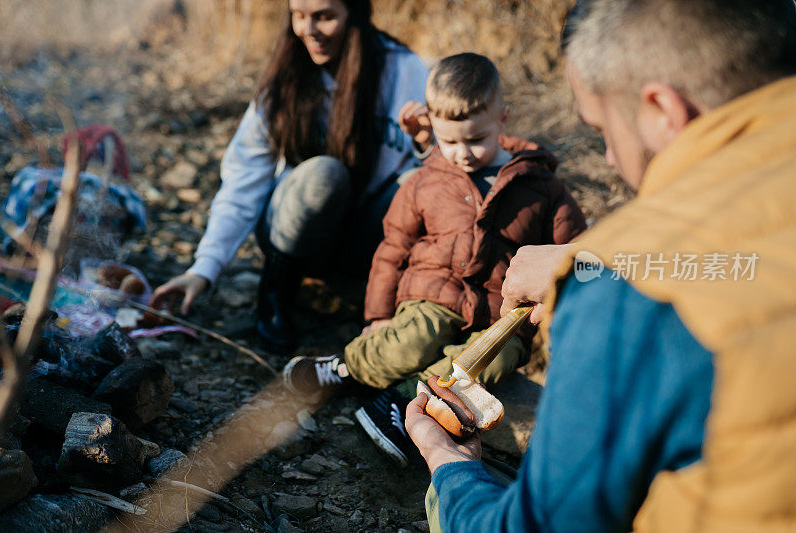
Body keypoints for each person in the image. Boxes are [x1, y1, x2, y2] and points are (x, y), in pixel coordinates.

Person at [405, 0, 796, 531]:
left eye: (603, 128)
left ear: (662, 110)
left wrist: (450, 466)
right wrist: (580, 262)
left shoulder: (628, 299)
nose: (610, 157)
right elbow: (741, 267)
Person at [282, 53, 586, 467]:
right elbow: (393, 249)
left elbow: (573, 247)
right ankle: (345, 368)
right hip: (433, 294)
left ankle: (404, 403)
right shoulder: (427, 179)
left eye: (475, 139)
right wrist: (377, 314)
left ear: (504, 118)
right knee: (413, 335)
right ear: (433, 131)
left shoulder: (541, 186)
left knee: (489, 360)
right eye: (449, 141)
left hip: (502, 315)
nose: (462, 153)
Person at [150, 0, 430, 353]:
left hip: (367, 238)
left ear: (354, 15)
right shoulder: (288, 74)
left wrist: (425, 144)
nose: (308, 30)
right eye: (299, 16)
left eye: (324, 17)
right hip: (293, 229)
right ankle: (276, 293)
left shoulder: (403, 69)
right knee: (325, 174)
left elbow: (441, 169)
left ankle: (394, 307)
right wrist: (204, 268)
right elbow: (243, 177)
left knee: (417, 186)